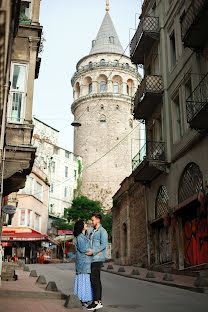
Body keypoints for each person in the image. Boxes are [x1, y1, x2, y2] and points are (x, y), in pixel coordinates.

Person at [86, 213, 108, 311]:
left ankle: (97, 302)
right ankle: (95, 301)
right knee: (93, 279)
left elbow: (104, 244)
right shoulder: (93, 231)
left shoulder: (102, 231)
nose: (92, 222)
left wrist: (94, 251)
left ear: (98, 220)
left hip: (97, 259)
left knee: (95, 279)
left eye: (93, 220)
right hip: (92, 258)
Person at [73, 220, 93, 307]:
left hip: (85, 262)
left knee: (85, 280)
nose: (86, 225)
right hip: (82, 263)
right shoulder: (80, 237)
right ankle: (82, 299)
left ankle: (84, 299)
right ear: (81, 226)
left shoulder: (83, 236)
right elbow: (84, 249)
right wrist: (93, 251)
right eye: (84, 224)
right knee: (83, 280)